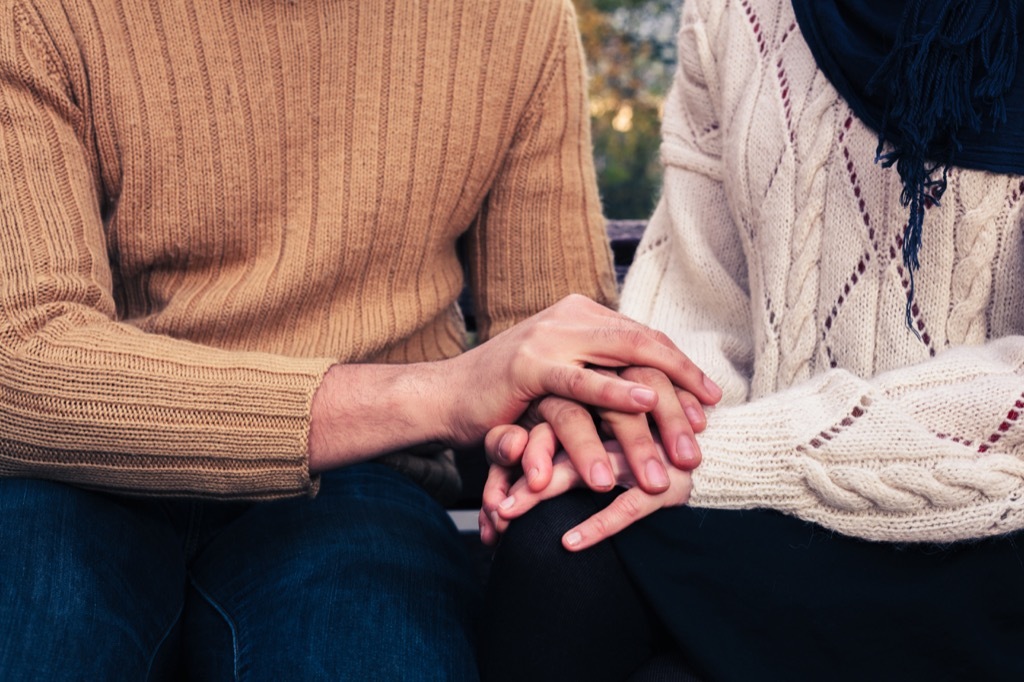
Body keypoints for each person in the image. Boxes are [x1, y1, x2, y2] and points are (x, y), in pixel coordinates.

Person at [0, 0, 723, 679]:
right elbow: (20, 357)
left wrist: (558, 420)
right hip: (78, 470)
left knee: (365, 647)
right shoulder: (39, 14)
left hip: (364, 483)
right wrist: (439, 394)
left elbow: (548, 332)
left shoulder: (515, 17)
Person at [479, 0, 1024, 679]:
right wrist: (626, 430)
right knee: (559, 541)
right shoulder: (734, 14)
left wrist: (731, 455)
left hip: (995, 521)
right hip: (775, 516)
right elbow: (697, 307)